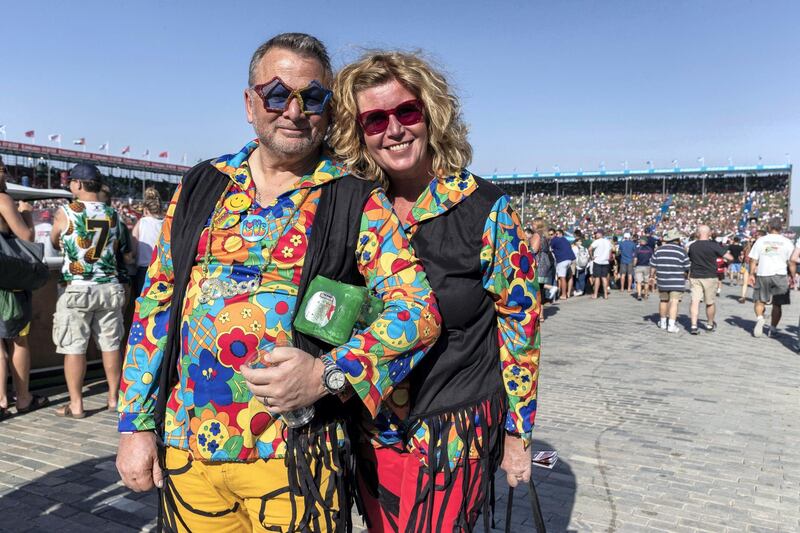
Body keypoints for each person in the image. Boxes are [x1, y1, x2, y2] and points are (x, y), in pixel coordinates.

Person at [115, 34, 441, 532]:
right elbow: (155, 307)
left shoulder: (354, 200)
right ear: (250, 103)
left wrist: (327, 373)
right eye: (276, 94)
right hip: (188, 452)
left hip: (297, 458)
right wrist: (135, 425)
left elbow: (418, 312)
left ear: (328, 112)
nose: (294, 110)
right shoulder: (203, 184)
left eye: (312, 98)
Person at [331, 50, 540, 531]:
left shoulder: (486, 209)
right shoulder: (352, 207)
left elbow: (521, 328)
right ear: (357, 132)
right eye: (375, 119)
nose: (394, 129)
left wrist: (518, 435)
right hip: (371, 429)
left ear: (431, 115)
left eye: (407, 112)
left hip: (453, 429)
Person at [49, 163, 124, 418]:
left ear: (79, 184)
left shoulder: (66, 212)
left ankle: (77, 404)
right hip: (109, 286)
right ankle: (114, 398)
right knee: (111, 344)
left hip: (79, 287)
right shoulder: (112, 213)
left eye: (71, 182)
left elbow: (53, 240)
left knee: (74, 347)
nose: (69, 186)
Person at [0, 159, 49, 419]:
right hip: (8, 282)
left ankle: (1, 400)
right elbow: (26, 237)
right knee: (18, 339)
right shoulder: (3, 199)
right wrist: (27, 211)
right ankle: (24, 398)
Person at [748, 218, 795, 338]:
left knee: (759, 300)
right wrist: (793, 276)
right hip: (780, 275)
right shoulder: (787, 242)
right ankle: (773, 329)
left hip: (763, 273)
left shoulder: (761, 240)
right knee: (777, 304)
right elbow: (792, 261)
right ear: (781, 228)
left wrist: (751, 274)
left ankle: (759, 318)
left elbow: (753, 259)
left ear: (769, 227)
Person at [687, 225, 732, 334]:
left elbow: (689, 258)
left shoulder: (692, 246)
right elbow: (730, 257)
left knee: (695, 301)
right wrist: (726, 264)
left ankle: (693, 325)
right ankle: (710, 324)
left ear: (698, 233)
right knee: (710, 302)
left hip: (695, 276)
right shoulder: (713, 245)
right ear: (709, 233)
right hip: (710, 276)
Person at [649, 229, 690, 333]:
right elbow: (687, 267)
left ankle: (663, 323)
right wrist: (685, 276)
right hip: (677, 280)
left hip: (662, 279)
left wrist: (651, 277)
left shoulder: (659, 250)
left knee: (663, 301)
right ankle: (671, 325)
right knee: (674, 302)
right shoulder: (681, 251)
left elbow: (653, 265)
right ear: (677, 239)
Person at [131, 187, 164, 297]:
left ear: (145, 209)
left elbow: (133, 248)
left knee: (141, 304)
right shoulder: (166, 224)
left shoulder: (142, 222)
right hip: (162, 269)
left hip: (144, 270)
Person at [551, 228, 575, 300]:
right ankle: (566, 293)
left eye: (551, 234)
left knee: (562, 278)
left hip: (562, 260)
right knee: (568, 277)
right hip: (570, 259)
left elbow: (549, 248)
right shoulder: (565, 239)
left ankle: (563, 294)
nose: (550, 236)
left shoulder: (554, 240)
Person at [589, 229, 612, 299]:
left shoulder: (597, 241)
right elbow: (611, 250)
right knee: (604, 278)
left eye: (597, 233)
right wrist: (608, 257)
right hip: (605, 261)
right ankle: (605, 295)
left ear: (601, 234)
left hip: (598, 261)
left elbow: (589, 249)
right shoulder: (608, 241)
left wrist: (591, 256)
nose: (596, 235)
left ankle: (595, 295)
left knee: (597, 278)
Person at [633, 236, 653, 301]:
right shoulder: (650, 249)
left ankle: (639, 295)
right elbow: (652, 259)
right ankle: (646, 295)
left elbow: (635, 259)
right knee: (646, 282)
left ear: (641, 241)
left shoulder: (638, 249)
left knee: (639, 282)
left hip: (639, 266)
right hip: (647, 266)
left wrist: (634, 265)